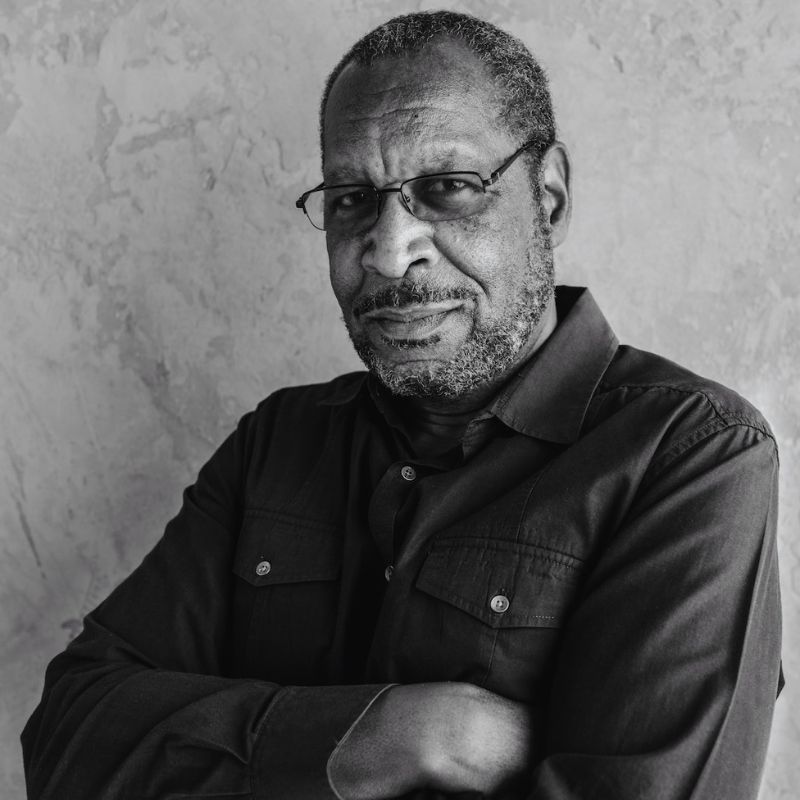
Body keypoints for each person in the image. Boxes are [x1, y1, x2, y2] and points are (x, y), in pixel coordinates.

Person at [22, 10, 782, 800]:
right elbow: (68, 740)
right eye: (352, 199)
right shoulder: (279, 442)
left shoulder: (689, 454)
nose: (390, 250)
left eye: (447, 188)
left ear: (548, 197)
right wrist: (404, 735)